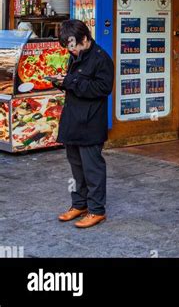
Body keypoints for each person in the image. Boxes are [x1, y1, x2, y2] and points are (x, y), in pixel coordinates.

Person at [51, 19, 114, 229]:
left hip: (90, 123)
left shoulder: (101, 59)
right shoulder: (74, 56)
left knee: (92, 168)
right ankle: (80, 204)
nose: (71, 51)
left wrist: (71, 82)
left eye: (73, 47)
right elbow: (75, 85)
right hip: (72, 121)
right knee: (76, 167)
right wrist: (61, 81)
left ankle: (97, 210)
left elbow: (102, 89)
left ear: (85, 39)